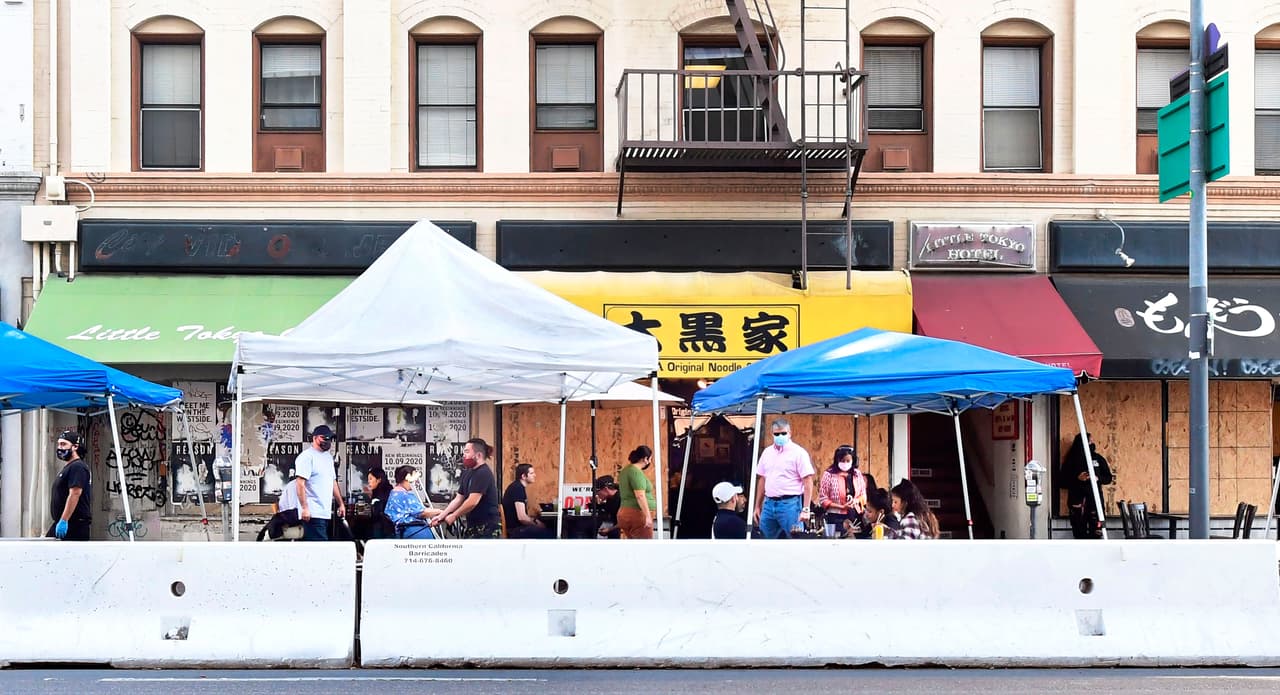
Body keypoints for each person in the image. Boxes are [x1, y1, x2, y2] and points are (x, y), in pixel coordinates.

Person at [753, 418, 815, 539]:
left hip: (790, 504)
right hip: (768, 503)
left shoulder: (799, 453)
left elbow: (808, 481)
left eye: (783, 433)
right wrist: (757, 506)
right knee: (764, 541)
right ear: (772, 434)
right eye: (777, 434)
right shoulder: (767, 453)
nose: (780, 436)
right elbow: (762, 479)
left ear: (790, 433)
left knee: (795, 539)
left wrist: (806, 509)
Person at [432, 437, 502, 538]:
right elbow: (458, 499)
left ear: (478, 455)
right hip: (472, 525)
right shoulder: (468, 473)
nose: (464, 455)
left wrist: (454, 515)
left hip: (487, 526)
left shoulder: (483, 473)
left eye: (467, 452)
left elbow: (472, 501)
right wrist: (441, 516)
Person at [289, 425, 345, 541]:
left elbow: (333, 482)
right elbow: (300, 483)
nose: (327, 441)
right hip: (312, 513)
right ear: (314, 438)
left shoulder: (328, 457)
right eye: (324, 438)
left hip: (325, 513)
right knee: (320, 547)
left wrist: (341, 504)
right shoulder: (306, 457)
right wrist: (305, 508)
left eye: (329, 438)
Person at [1060, 433, 1115, 539]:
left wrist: (1098, 478)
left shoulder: (1098, 458)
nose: (1092, 443)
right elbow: (1062, 481)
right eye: (1090, 441)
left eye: (1092, 441)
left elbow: (1108, 478)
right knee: (1079, 533)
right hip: (1078, 502)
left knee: (1097, 532)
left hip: (1095, 501)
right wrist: (1078, 478)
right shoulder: (1071, 460)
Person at [818, 445, 873, 538]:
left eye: (848, 461)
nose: (845, 463)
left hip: (855, 516)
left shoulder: (857, 474)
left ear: (853, 461)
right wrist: (842, 507)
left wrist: (855, 501)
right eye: (842, 461)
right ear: (837, 460)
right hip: (835, 517)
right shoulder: (829, 474)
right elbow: (823, 499)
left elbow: (863, 495)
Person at [47, 430, 92, 541]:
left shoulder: (77, 467)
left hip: (73, 525)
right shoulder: (69, 467)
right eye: (59, 444)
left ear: (75, 447)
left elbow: (75, 493)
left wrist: (64, 520)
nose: (60, 448)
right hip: (63, 522)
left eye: (63, 444)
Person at [384, 465, 440, 538]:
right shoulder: (404, 495)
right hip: (413, 530)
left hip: (402, 531)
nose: (416, 481)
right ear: (407, 477)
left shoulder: (394, 493)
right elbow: (422, 513)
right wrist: (441, 512)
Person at [617, 445, 657, 539]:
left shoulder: (625, 470)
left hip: (624, 513)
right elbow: (640, 496)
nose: (650, 462)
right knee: (644, 545)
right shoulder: (636, 472)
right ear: (645, 459)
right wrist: (647, 516)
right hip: (637, 514)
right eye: (650, 459)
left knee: (633, 545)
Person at [503, 463, 551, 539]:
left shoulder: (517, 486)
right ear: (523, 476)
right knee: (550, 533)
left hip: (516, 528)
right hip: (515, 530)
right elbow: (522, 517)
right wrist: (537, 524)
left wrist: (535, 521)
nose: (534, 475)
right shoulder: (517, 489)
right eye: (531, 473)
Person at [364, 467, 396, 539]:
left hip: (384, 528)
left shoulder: (384, 493)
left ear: (379, 480)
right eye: (368, 479)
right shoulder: (378, 491)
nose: (368, 482)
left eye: (370, 479)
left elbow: (377, 512)